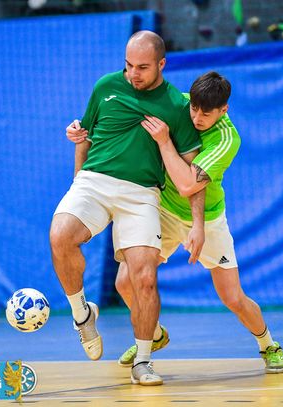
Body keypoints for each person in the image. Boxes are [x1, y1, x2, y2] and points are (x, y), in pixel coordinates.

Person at [69, 71, 283, 374]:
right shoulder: (177, 105)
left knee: (233, 297)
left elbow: (188, 184)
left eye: (206, 113)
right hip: (163, 211)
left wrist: (164, 142)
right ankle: (153, 333)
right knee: (124, 282)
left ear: (223, 110)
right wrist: (82, 131)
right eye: (194, 109)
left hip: (207, 220)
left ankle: (268, 344)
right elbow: (119, 118)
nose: (196, 118)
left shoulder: (227, 138)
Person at [50, 30, 204, 386]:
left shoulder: (176, 106)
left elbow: (194, 171)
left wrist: (198, 223)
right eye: (128, 65)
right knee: (60, 236)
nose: (133, 73)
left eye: (143, 67)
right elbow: (84, 136)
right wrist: (77, 183)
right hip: (94, 181)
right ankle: (82, 314)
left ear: (161, 64)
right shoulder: (106, 86)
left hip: (141, 193)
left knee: (144, 278)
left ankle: (143, 361)